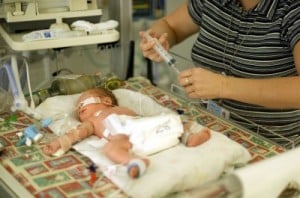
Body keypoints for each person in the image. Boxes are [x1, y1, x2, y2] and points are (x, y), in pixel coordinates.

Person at [139, 0, 300, 146]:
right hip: (210, 133)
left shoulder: (292, 11)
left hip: (270, 145)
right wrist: (157, 39)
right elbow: (170, 25)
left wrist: (224, 86)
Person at [42, 88, 210, 178]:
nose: (79, 110)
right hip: (124, 137)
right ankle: (134, 162)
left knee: (172, 119)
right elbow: (76, 134)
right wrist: (59, 143)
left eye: (82, 104)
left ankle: (190, 137)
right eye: (78, 109)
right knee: (110, 149)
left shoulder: (121, 109)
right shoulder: (91, 121)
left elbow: (145, 118)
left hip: (142, 127)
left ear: (106, 101)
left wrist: (159, 119)